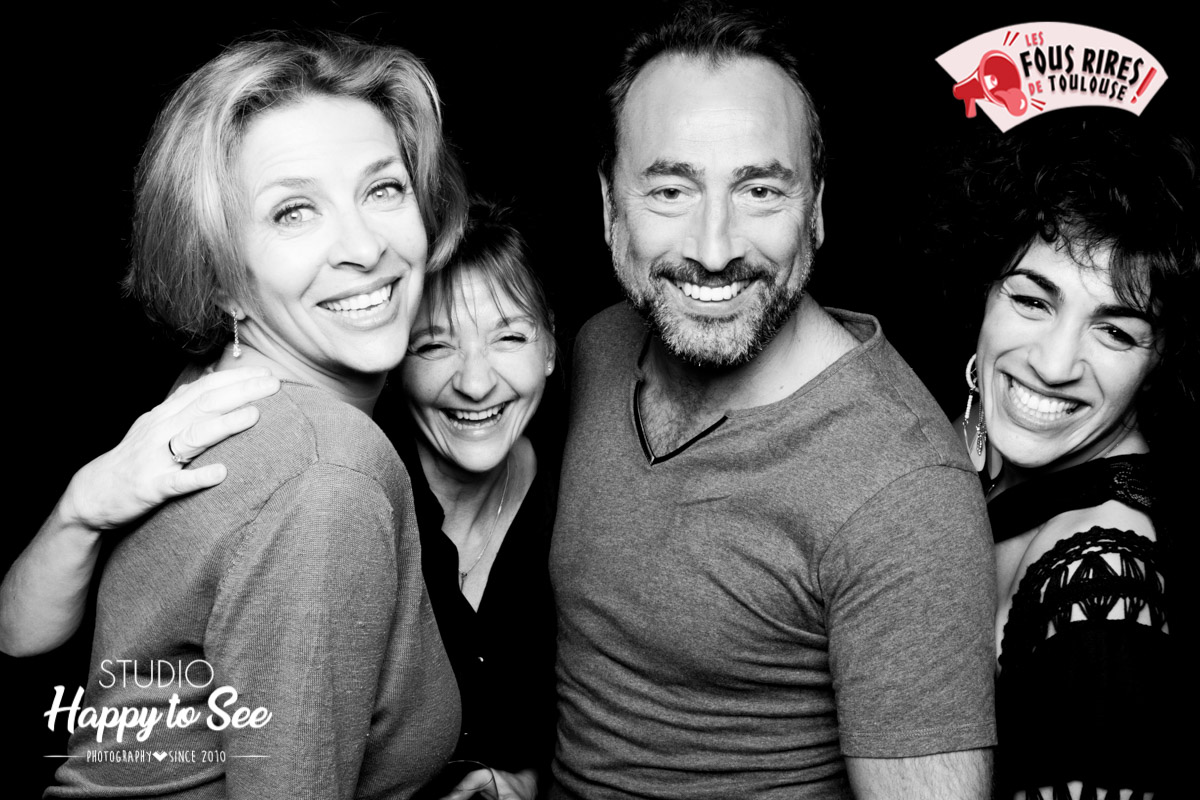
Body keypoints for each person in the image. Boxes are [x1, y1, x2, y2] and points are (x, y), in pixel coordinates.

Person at [547, 4, 996, 799]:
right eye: (670, 190)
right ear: (610, 207)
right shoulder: (600, 347)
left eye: (759, 190)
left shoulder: (902, 492)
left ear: (815, 208)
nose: (714, 248)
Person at [5, 32, 470, 798]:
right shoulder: (328, 471)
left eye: (383, 189)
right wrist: (78, 511)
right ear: (221, 276)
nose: (363, 247)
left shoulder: (219, 391)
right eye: (293, 212)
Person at [2, 204, 557, 800]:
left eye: (510, 337)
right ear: (394, 355)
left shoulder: (574, 482)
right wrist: (79, 507)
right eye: (433, 347)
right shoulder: (323, 474)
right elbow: (27, 643)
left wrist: (526, 779)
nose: (475, 382)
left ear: (552, 345)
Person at [953, 122, 1194, 798]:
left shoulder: (1100, 580)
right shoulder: (965, 443)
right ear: (985, 291)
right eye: (1032, 300)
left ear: (1159, 358)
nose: (1055, 365)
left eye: (1114, 331)